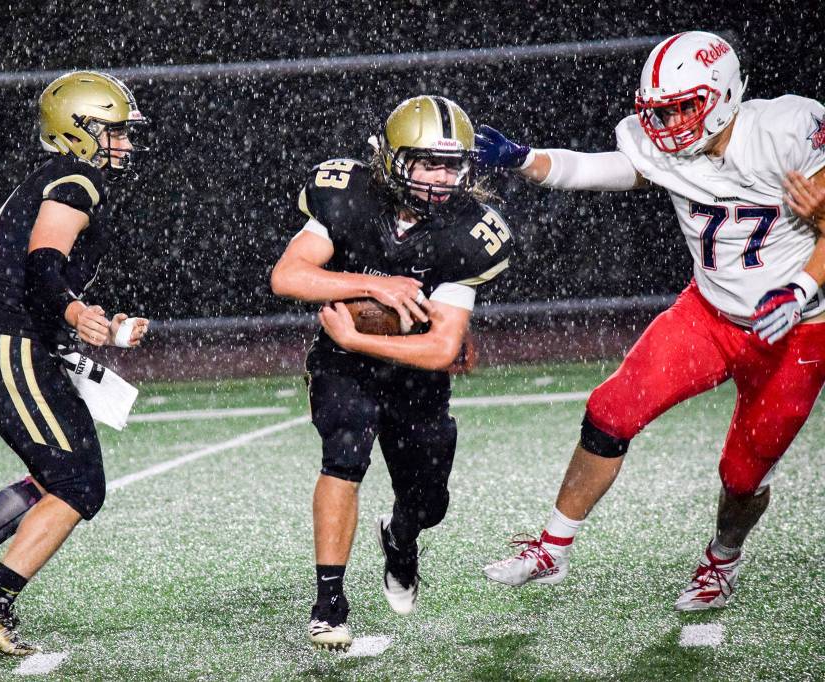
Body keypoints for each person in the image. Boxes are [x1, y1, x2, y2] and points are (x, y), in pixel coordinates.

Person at [475, 31, 825, 610]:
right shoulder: (661, 147)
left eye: (684, 106)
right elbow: (601, 169)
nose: (670, 123)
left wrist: (800, 287)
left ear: (726, 92)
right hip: (708, 316)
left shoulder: (788, 131)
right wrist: (525, 161)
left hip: (799, 331)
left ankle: (721, 559)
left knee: (743, 475)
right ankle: (551, 548)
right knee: (610, 412)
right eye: (661, 110)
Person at [0, 71, 149, 655]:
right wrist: (73, 313)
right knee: (78, 483)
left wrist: (98, 320)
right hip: (7, 344)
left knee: (59, 473)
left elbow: (38, 274)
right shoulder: (76, 179)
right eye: (113, 131)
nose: (123, 143)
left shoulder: (52, 179)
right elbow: (44, 263)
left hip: (4, 341)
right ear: (79, 131)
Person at [271, 95, 515, 650]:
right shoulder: (349, 194)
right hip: (343, 361)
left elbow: (441, 347)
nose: (441, 179)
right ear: (390, 159)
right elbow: (288, 276)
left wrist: (359, 333)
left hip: (411, 372)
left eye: (452, 166)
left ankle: (400, 538)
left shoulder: (467, 232)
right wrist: (371, 286)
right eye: (428, 163)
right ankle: (329, 601)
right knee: (345, 448)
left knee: (429, 502)